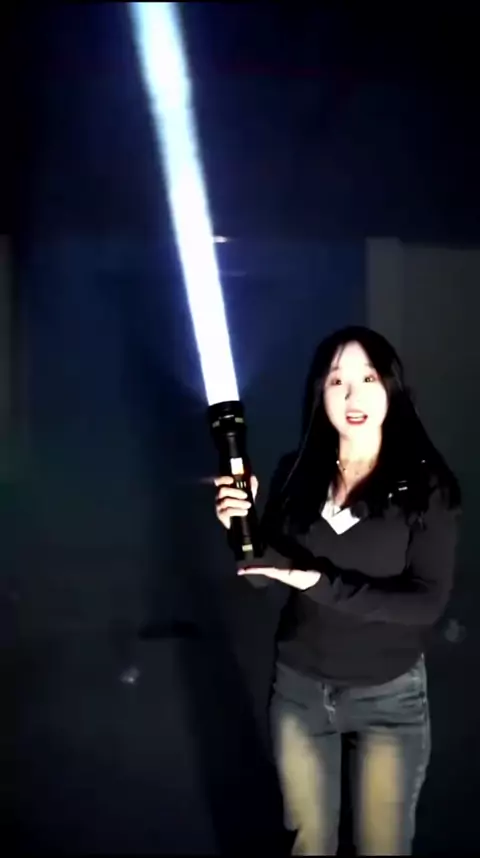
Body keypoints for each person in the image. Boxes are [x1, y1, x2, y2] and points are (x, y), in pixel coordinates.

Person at [213, 326, 461, 856]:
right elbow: (262, 578)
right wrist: (242, 527)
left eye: (367, 378)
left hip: (388, 697)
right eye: (336, 381)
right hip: (300, 692)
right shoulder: (297, 471)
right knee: (310, 844)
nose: (352, 395)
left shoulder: (426, 486)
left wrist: (322, 585)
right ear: (319, 394)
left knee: (383, 847)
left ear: (391, 387)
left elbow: (427, 602)